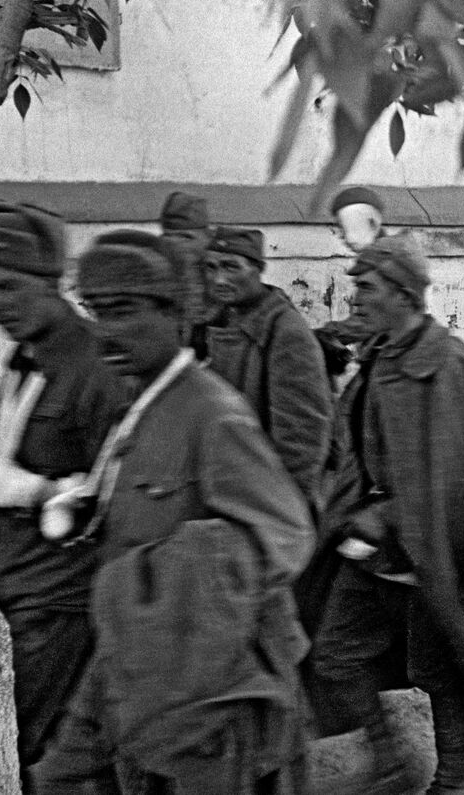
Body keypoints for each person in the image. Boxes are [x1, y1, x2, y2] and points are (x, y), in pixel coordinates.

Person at [33, 230, 316, 795]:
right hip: (141, 668)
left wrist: (163, 579)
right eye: (96, 311)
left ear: (174, 315)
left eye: (123, 311)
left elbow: (284, 536)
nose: (107, 330)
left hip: (217, 698)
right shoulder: (141, 406)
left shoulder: (214, 415)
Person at [311, 235, 464, 795]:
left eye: (366, 289)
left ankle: (451, 780)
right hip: (370, 552)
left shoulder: (452, 368)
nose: (356, 299)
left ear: (401, 293)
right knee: (335, 653)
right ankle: (391, 757)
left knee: (446, 673)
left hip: (434, 552)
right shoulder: (378, 356)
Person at [0, 203, 126, 792]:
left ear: (48, 282)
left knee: (30, 746)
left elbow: (116, 492)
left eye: (10, 287)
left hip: (60, 597)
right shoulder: (24, 356)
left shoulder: (94, 365)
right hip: (9, 583)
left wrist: (31, 491)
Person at [203, 226, 332, 510]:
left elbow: (301, 438)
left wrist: (284, 510)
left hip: (266, 499)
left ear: (258, 269)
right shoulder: (218, 321)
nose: (219, 278)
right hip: (227, 487)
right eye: (210, 267)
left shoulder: (286, 332)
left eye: (231, 267)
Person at [317, 188, 390, 377]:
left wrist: (328, 333)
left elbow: (371, 320)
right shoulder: (376, 259)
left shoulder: (387, 262)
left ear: (370, 222)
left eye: (344, 226)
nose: (341, 235)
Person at [158, 190, 214, 358]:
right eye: (170, 236)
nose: (179, 245)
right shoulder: (210, 245)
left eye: (186, 237)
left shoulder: (156, 248)